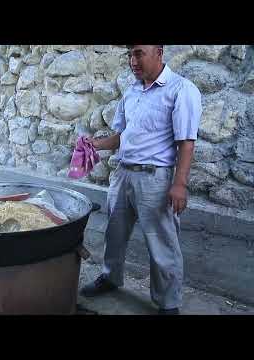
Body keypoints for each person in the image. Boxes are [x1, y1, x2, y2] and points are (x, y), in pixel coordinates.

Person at [80, 45, 202, 315]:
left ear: (159, 52)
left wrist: (180, 184)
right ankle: (111, 278)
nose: (133, 61)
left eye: (139, 53)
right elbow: (122, 135)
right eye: (130, 55)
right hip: (123, 174)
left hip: (154, 179)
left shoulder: (180, 89)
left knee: (161, 243)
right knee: (114, 233)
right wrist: (96, 143)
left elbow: (186, 143)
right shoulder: (132, 91)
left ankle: (168, 303)